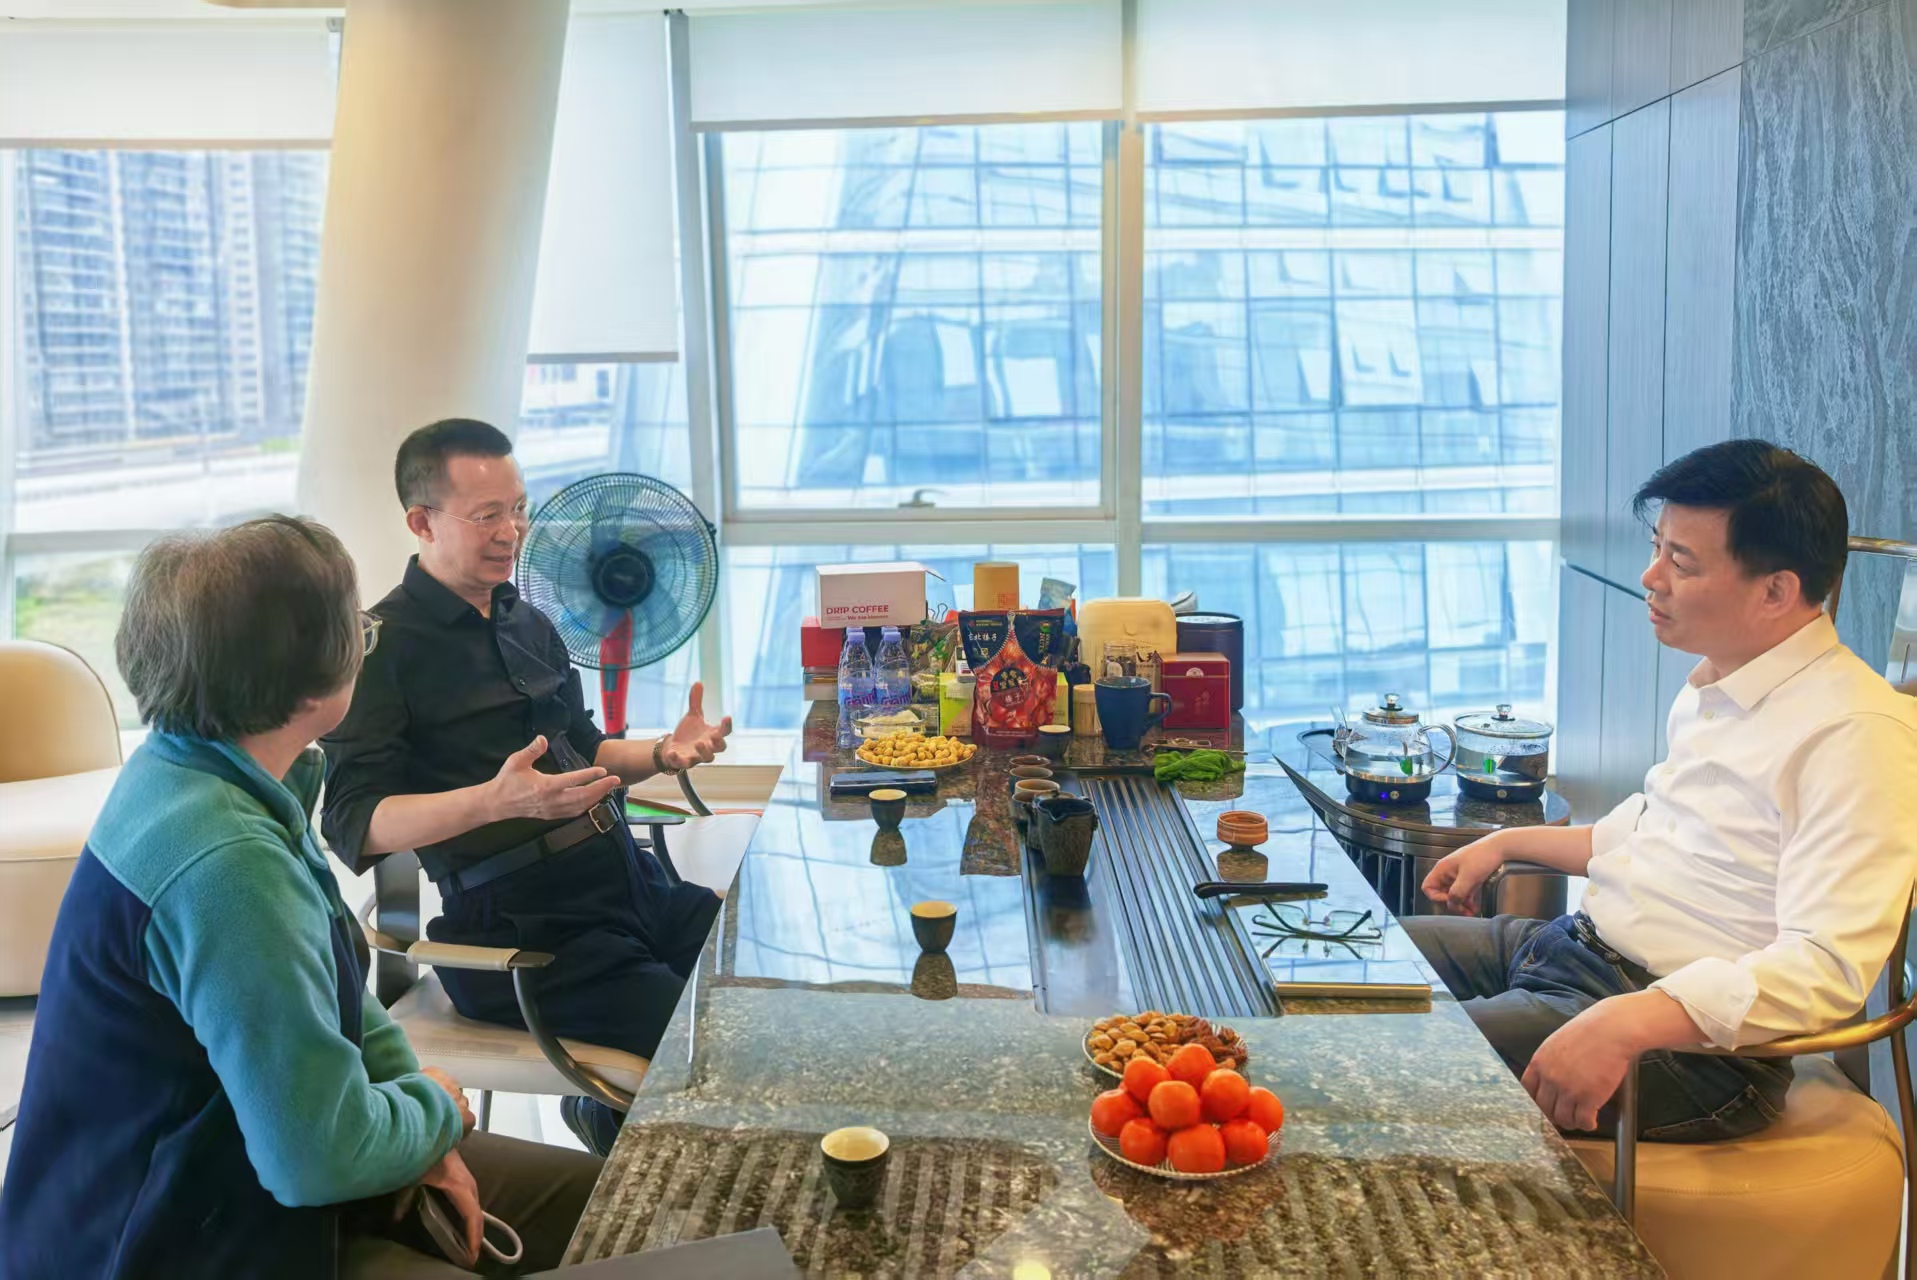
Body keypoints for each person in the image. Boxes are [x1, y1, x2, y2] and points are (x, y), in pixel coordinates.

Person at [0, 517, 601, 1280]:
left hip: (245, 1171)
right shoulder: (227, 864)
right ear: (312, 675)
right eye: (358, 629)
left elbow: (339, 1002)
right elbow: (315, 1162)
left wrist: (417, 1113)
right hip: (173, 1243)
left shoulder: (194, 772)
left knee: (604, 1202)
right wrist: (435, 1113)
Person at [1407, 440, 1917, 1141]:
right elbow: (1651, 835)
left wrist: (1630, 1021)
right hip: (1573, 951)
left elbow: (1826, 968)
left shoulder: (1856, 734)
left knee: (1366, 1058)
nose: (1651, 578)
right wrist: (1506, 843)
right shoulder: (1721, 681)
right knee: (1335, 969)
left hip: (1691, 1049)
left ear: (1775, 591)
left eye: (1681, 562)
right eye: (1657, 548)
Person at [321, 419, 732, 1157]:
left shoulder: (529, 620)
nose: (511, 532)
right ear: (421, 521)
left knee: (753, 975)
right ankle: (631, 1159)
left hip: (627, 885)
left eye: (518, 509)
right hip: (523, 930)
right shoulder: (380, 648)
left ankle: (608, 1122)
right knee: (709, 1046)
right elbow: (354, 820)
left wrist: (662, 755)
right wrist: (496, 800)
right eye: (486, 515)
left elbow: (584, 747)